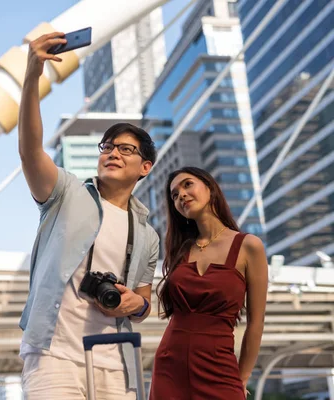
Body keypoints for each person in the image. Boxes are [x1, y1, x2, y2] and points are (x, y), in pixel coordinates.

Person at [17, 32, 160, 399]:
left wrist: (137, 304)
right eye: (107, 147)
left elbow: (144, 301)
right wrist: (33, 75)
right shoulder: (66, 193)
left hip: (116, 361)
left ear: (145, 167)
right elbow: (31, 149)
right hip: (54, 355)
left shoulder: (147, 233)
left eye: (125, 149)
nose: (112, 153)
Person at [150, 167, 268, 399]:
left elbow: (256, 322)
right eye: (174, 195)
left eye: (187, 185)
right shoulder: (180, 251)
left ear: (211, 189)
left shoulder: (249, 246)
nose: (181, 195)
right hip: (169, 366)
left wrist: (242, 378)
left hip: (220, 366)